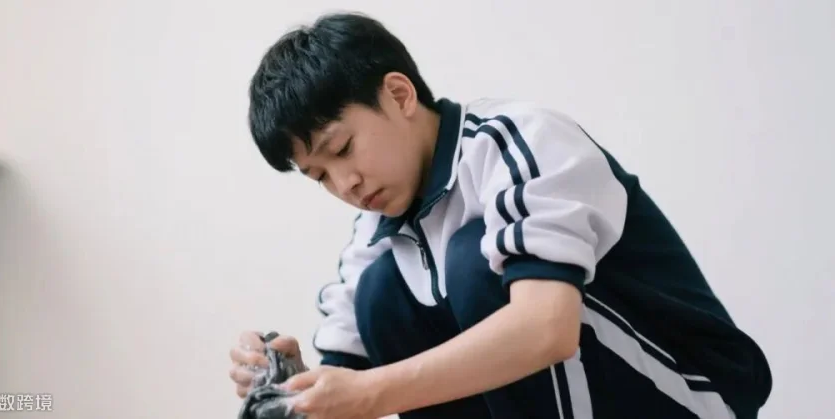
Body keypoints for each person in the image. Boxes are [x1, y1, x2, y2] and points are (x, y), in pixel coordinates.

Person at [230, 11, 773, 419]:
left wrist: (370, 393)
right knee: (381, 294)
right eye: (320, 177)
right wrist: (295, 389)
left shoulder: (519, 141)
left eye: (343, 149)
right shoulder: (377, 229)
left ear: (399, 94)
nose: (344, 184)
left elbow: (547, 327)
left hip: (694, 394)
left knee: (475, 261)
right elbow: (347, 379)